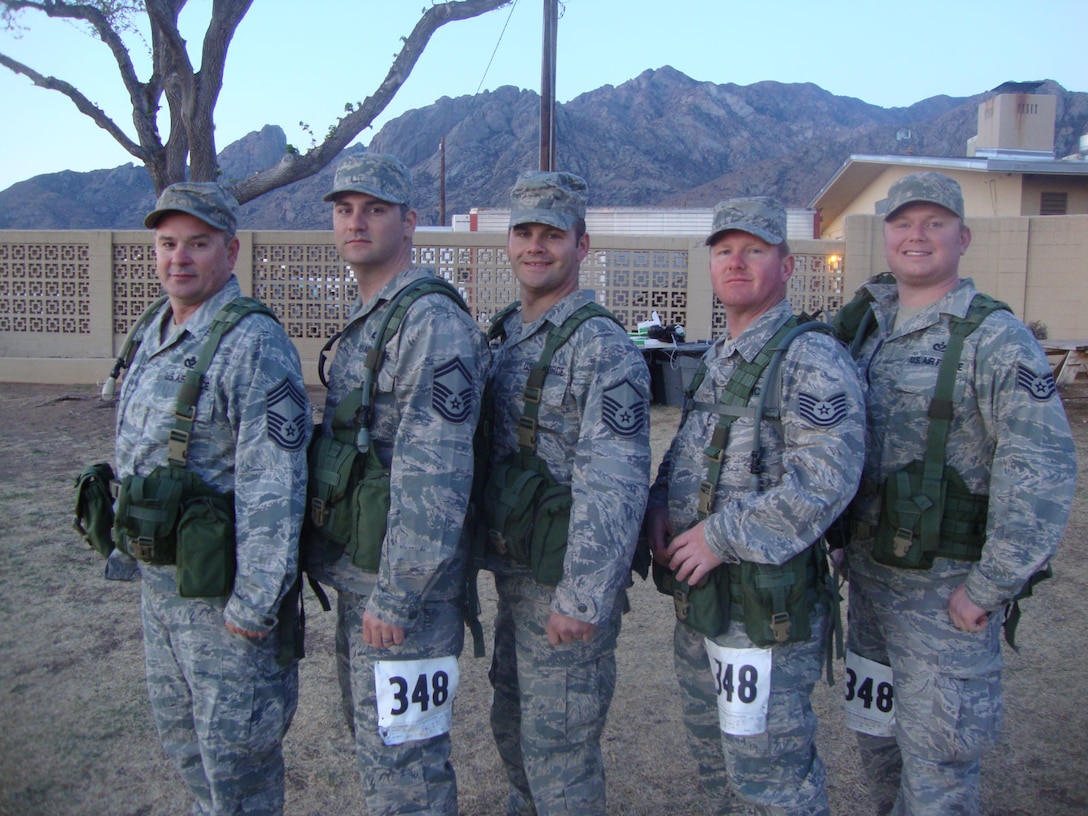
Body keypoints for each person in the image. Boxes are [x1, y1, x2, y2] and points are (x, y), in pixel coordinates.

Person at [833, 171, 1077, 815]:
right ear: (885, 236)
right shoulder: (865, 330)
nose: (917, 236)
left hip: (947, 599)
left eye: (934, 223)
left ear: (962, 237)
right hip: (871, 591)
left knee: (939, 769)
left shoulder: (994, 339)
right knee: (876, 747)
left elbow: (1043, 471)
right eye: (903, 223)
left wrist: (991, 586)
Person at [645, 196, 865, 815]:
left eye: (754, 250)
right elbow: (689, 450)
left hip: (765, 609)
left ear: (788, 266)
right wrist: (662, 503)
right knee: (717, 768)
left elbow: (825, 481)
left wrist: (719, 537)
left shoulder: (809, 358)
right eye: (723, 251)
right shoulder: (721, 356)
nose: (735, 262)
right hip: (705, 604)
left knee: (770, 778)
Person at [105, 182, 310, 814]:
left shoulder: (255, 345)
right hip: (162, 591)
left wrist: (253, 607)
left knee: (238, 773)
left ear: (231, 251)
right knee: (188, 752)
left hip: (224, 605)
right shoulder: (154, 327)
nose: (179, 259)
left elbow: (275, 488)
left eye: (198, 244)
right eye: (168, 244)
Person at [303, 153, 486, 816]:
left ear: (409, 222)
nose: (356, 222)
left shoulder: (429, 322)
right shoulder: (377, 315)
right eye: (344, 209)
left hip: (407, 594)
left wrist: (399, 594)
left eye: (375, 208)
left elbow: (436, 472)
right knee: (378, 748)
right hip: (366, 576)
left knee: (406, 763)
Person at [477, 170, 651, 815]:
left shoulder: (601, 346)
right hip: (516, 575)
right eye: (524, 232)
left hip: (563, 587)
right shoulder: (507, 335)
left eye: (553, 234)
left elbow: (617, 485)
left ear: (582, 245)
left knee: (561, 751)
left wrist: (581, 599)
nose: (536, 246)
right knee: (512, 727)